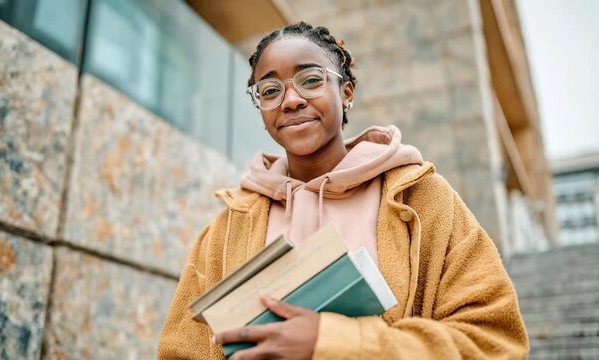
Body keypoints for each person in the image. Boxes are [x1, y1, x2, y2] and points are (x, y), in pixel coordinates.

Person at [157, 22, 528, 359]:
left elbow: (495, 342)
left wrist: (335, 342)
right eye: (270, 90)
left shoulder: (421, 199)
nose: (290, 100)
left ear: (346, 92)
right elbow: (179, 352)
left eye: (312, 80)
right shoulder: (225, 229)